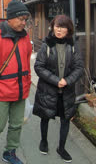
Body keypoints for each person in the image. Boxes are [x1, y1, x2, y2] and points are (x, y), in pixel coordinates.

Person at [0, 0, 32, 164]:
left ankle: (9, 152)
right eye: (21, 19)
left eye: (25, 20)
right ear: (10, 18)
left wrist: (28, 84)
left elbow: (26, 61)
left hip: (20, 89)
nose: (24, 23)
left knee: (17, 124)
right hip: (1, 88)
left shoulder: (24, 36)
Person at [33, 15, 83, 163]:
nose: (58, 29)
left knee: (65, 120)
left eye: (62, 27)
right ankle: (44, 141)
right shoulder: (46, 45)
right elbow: (39, 66)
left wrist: (67, 80)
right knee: (45, 116)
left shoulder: (73, 46)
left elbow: (79, 67)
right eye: (56, 26)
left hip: (66, 91)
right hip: (48, 90)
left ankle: (61, 148)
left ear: (68, 29)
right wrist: (56, 81)